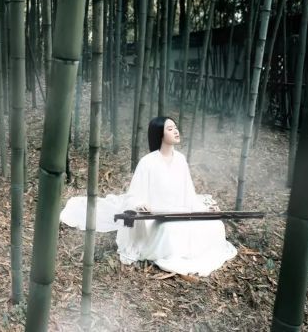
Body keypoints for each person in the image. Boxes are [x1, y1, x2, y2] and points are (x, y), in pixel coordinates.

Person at [59, 116, 237, 276]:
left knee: (214, 225)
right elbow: (134, 194)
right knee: (169, 231)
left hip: (180, 210)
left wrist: (204, 209)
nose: (176, 131)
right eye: (170, 129)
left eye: (176, 127)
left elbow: (189, 193)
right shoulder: (148, 162)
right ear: (160, 134)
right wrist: (140, 204)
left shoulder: (181, 159)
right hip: (156, 214)